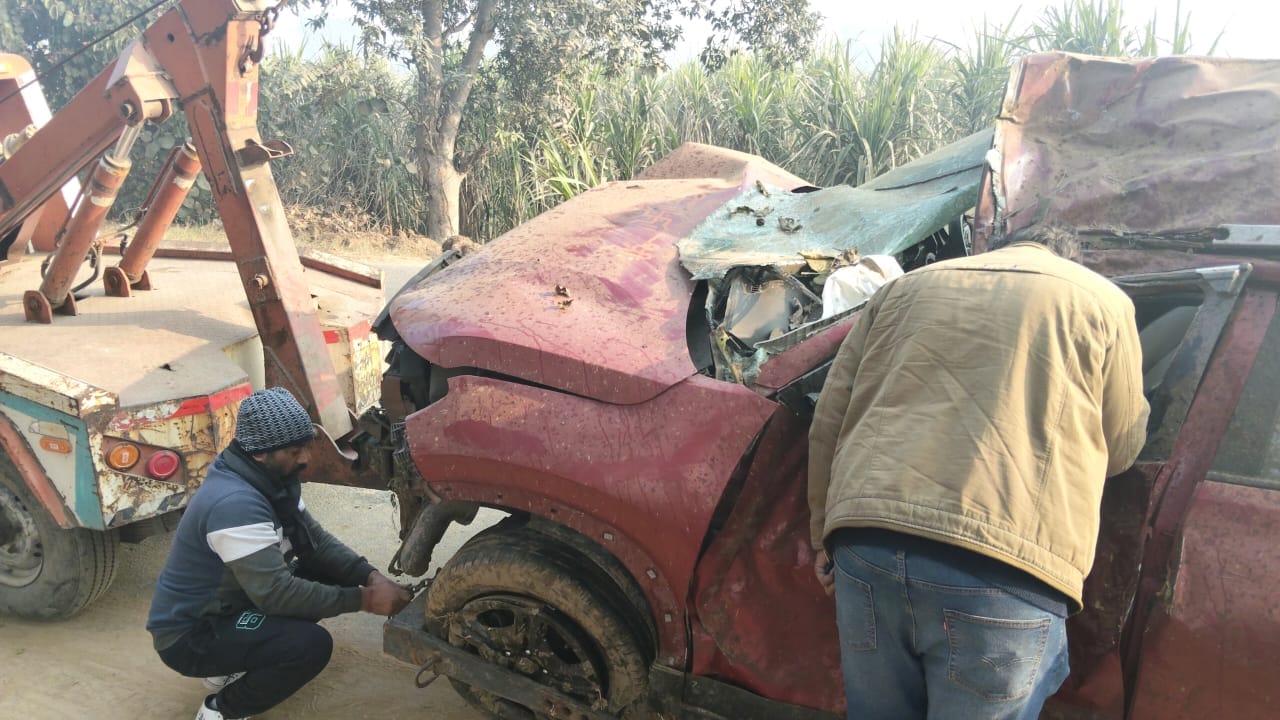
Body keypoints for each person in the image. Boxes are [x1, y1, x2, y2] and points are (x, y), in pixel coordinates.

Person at [808, 226, 1149, 720]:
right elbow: (1121, 448)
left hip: (868, 548)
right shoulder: (1103, 302)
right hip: (1004, 571)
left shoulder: (903, 288)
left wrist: (823, 533)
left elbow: (830, 421)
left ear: (997, 250)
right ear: (1070, 260)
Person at [147, 387, 412, 720]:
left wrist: (370, 576)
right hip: (192, 635)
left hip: (232, 600)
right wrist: (366, 600)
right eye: (295, 450)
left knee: (325, 570)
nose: (306, 459)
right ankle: (220, 709)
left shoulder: (270, 479)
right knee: (308, 647)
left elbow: (316, 543)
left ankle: (235, 658)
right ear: (261, 453)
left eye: (306, 447)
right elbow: (276, 595)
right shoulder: (235, 504)